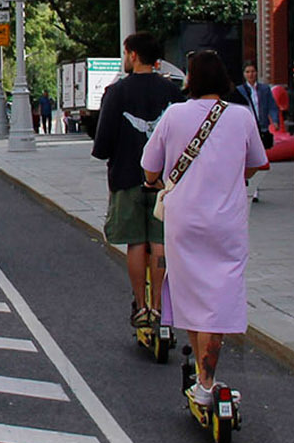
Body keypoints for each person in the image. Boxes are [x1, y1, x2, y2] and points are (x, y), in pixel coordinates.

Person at [142, 50, 270, 408]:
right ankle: (208, 378)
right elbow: (259, 163)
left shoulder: (175, 115)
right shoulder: (241, 117)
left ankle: (204, 379)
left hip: (184, 222)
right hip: (227, 223)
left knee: (193, 297)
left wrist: (156, 181)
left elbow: (150, 167)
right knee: (219, 298)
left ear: (192, 79)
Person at [91, 32, 185, 330]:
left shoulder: (117, 92)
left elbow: (103, 142)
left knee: (136, 242)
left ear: (132, 55)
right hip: (165, 183)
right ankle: (159, 306)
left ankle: (141, 307)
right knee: (160, 243)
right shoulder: (172, 92)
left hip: (128, 177)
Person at [235, 60, 282, 203]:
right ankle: (249, 187)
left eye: (253, 71)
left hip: (261, 127)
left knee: (258, 158)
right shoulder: (240, 90)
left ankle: (255, 188)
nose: (251, 74)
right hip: (246, 128)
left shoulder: (264, 89)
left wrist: (275, 121)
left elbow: (272, 106)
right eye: (248, 72)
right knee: (247, 157)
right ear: (244, 74)